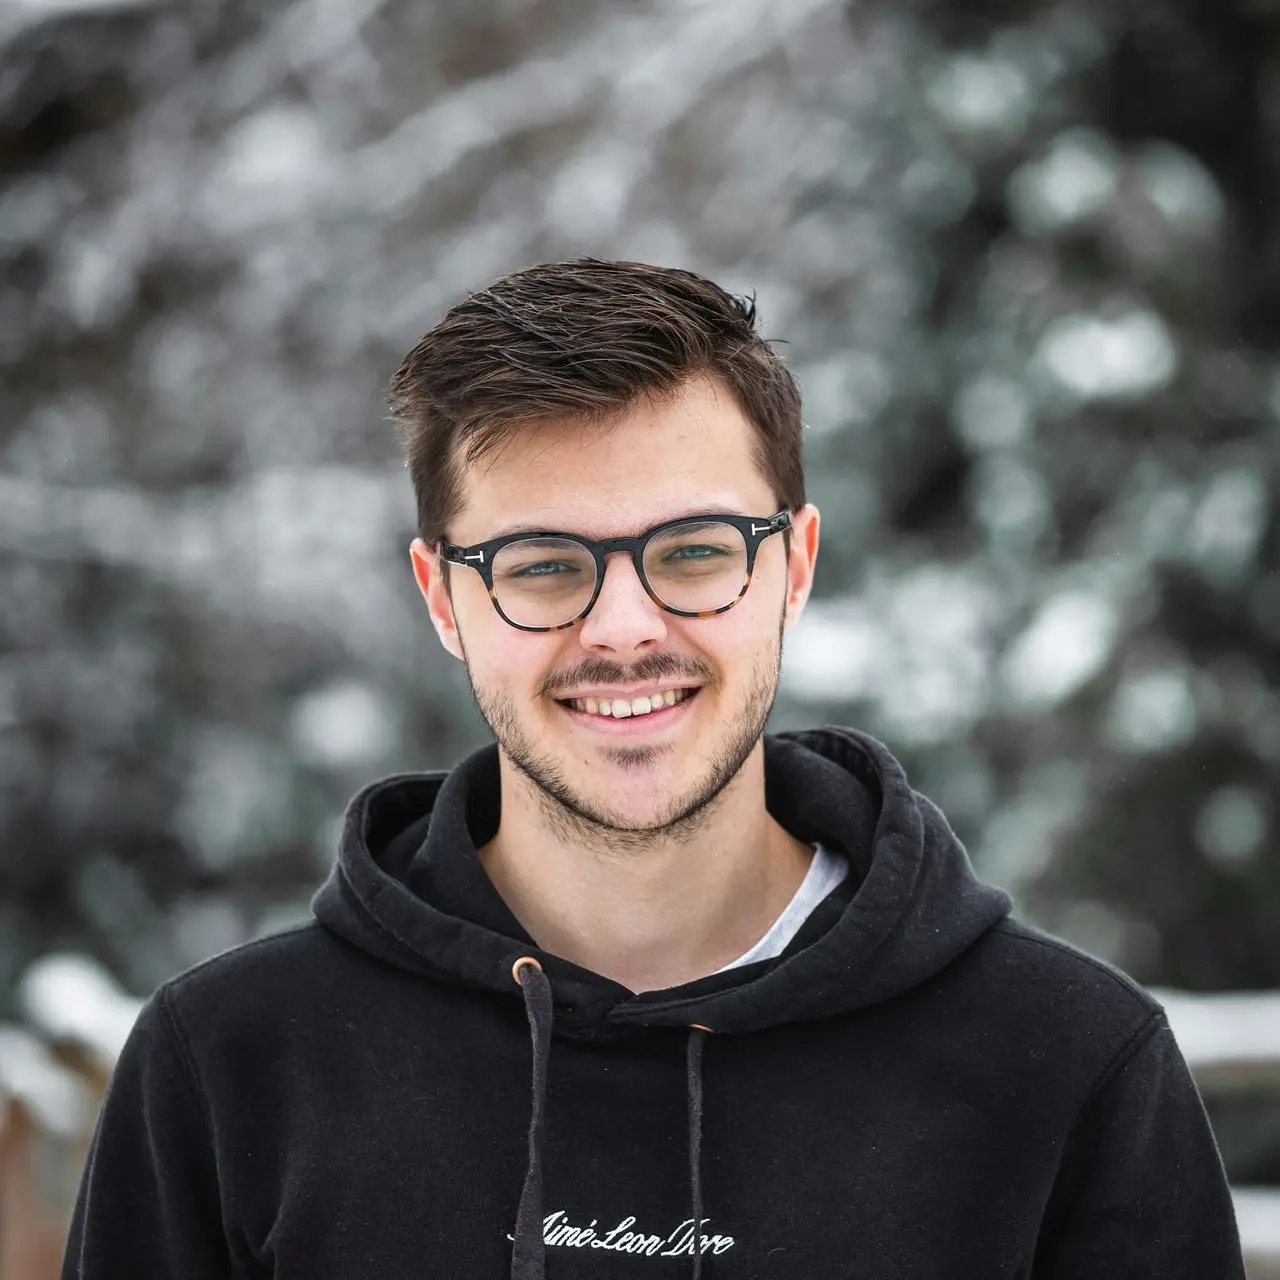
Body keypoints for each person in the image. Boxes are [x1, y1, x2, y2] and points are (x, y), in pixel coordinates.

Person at [63, 259, 1244, 1279]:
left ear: (793, 565)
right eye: (540, 564)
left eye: (692, 550)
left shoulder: (1067, 1063)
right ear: (442, 596)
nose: (623, 627)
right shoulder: (229, 1066)